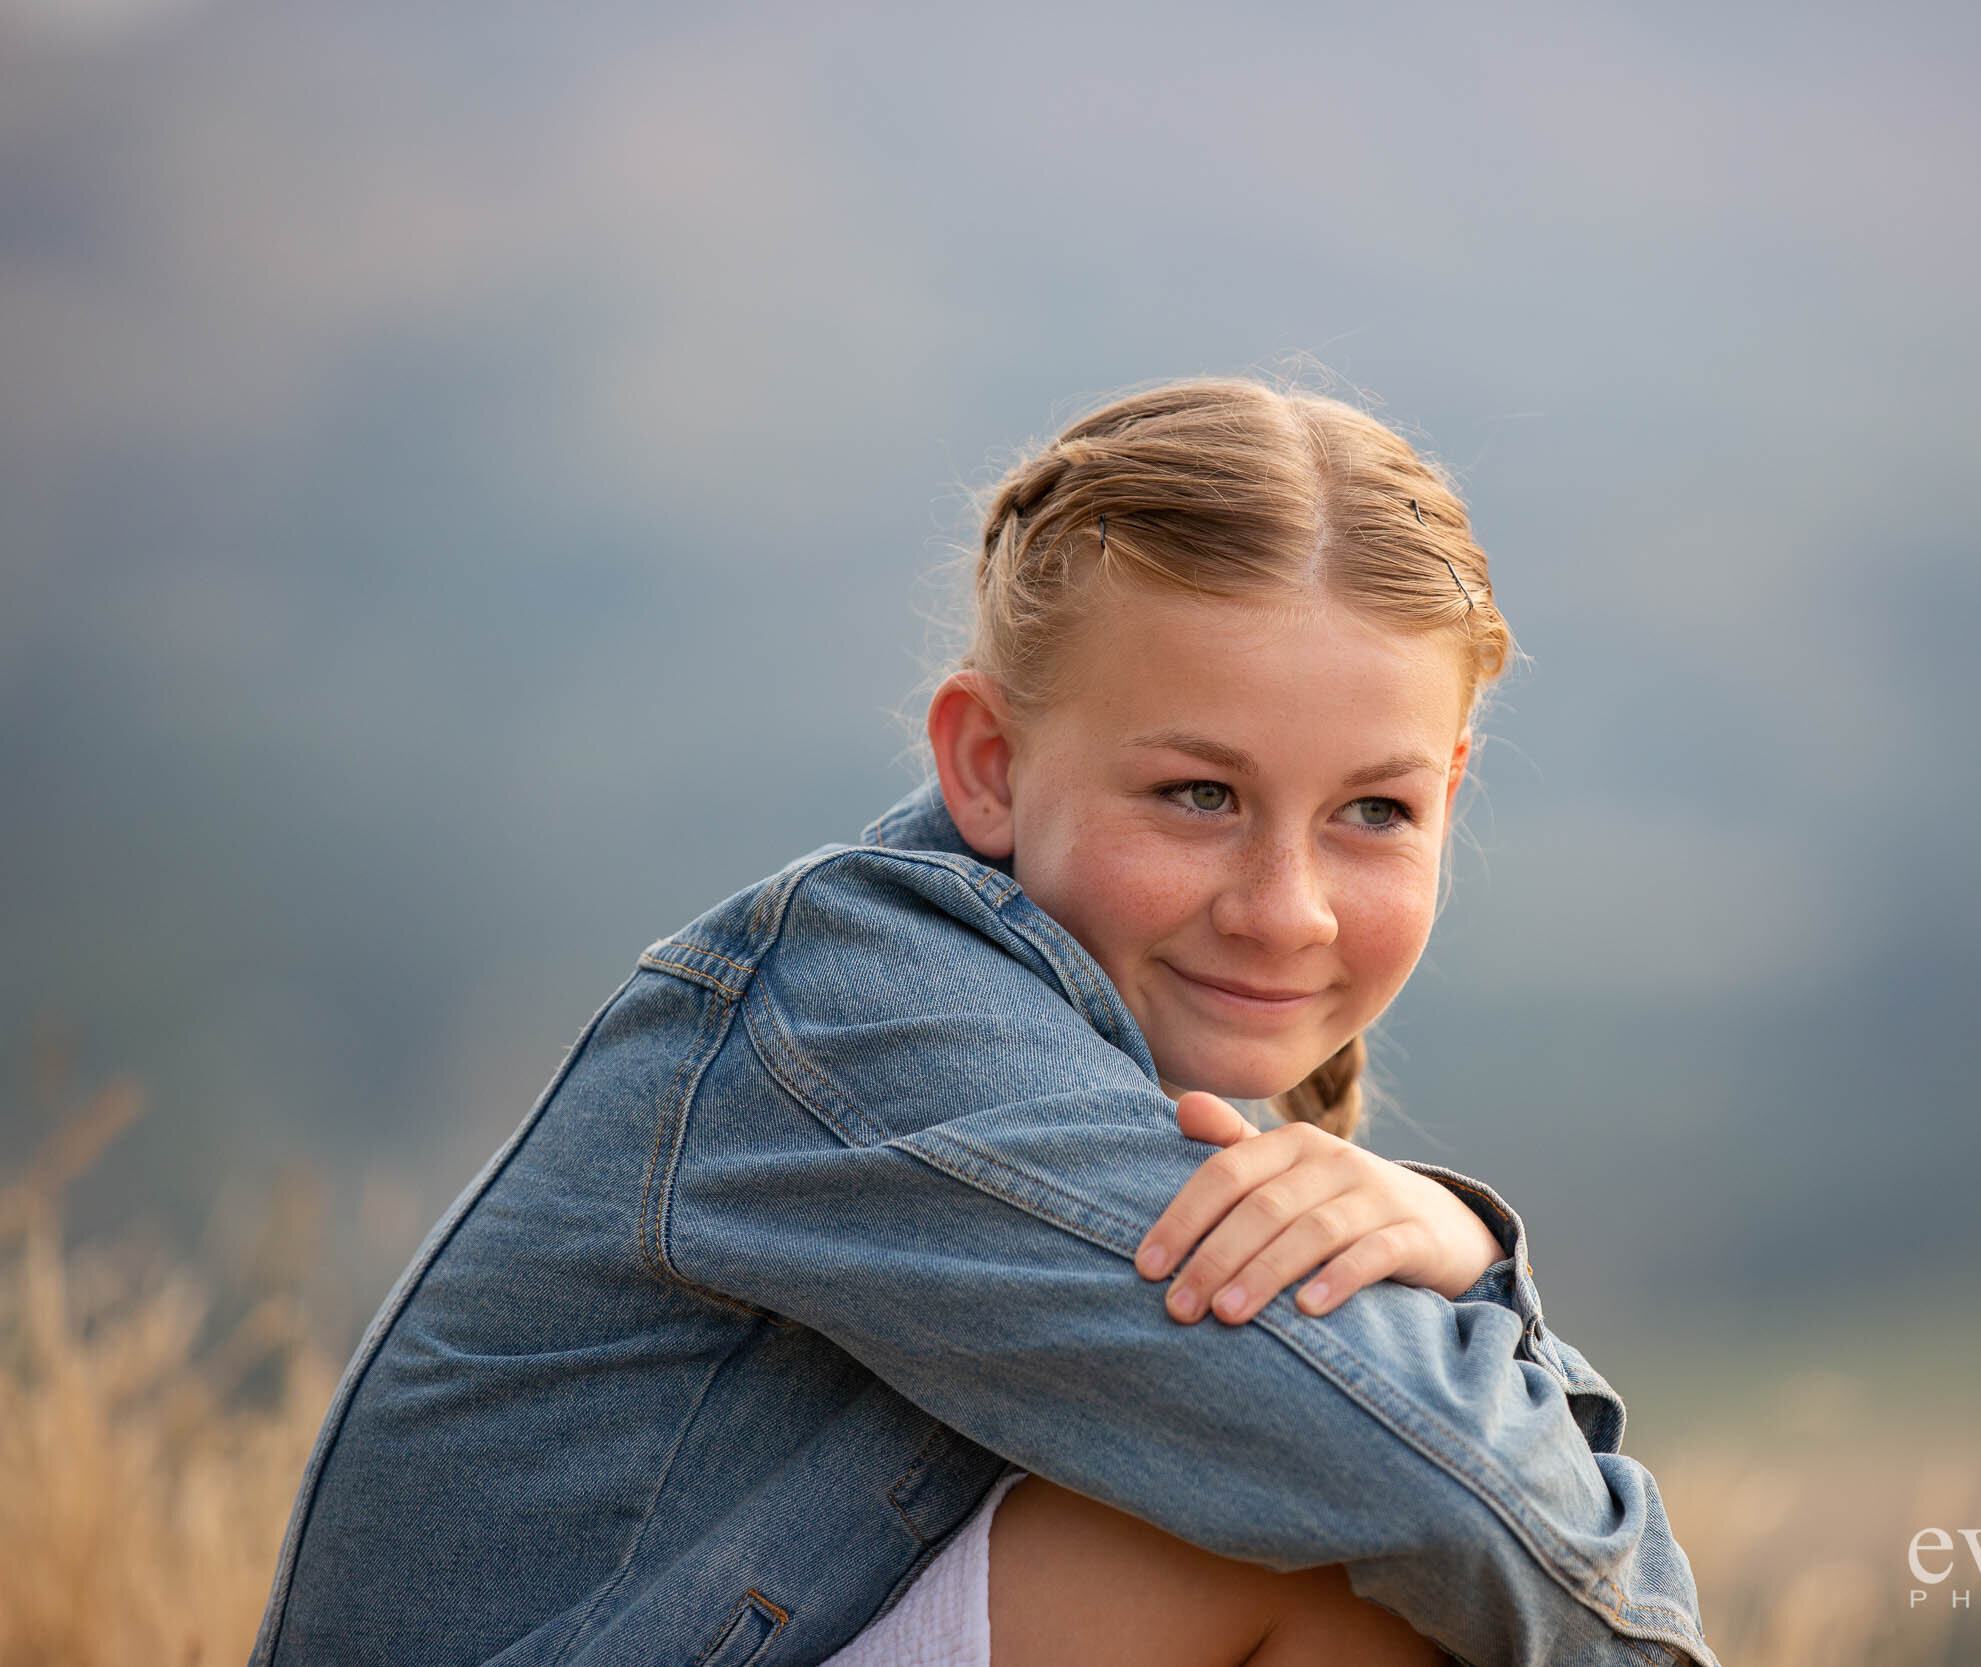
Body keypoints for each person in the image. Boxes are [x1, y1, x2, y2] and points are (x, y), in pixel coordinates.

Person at [248, 378, 1718, 1667]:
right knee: (1328, 1568)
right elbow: (1447, 1498)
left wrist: (1457, 1244)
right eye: (1198, 795)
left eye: (1374, 813)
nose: (1287, 909)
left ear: (1451, 795)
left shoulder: (1120, 1036)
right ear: (990, 764)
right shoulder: (874, 1023)